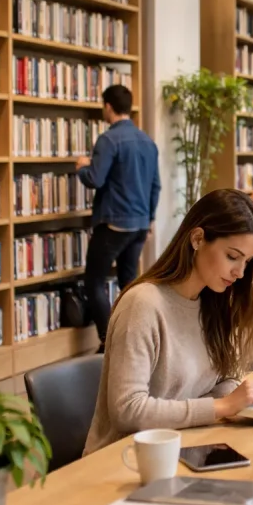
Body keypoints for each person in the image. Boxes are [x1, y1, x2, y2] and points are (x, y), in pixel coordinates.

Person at [84, 189, 253, 454]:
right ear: (198, 239)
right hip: (126, 459)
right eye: (232, 257)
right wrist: (222, 407)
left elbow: (223, 380)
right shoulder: (143, 304)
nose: (240, 272)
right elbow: (127, 410)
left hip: (184, 445)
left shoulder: (213, 301)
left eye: (247, 261)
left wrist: (235, 398)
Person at [77, 84, 160, 354]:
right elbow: (155, 185)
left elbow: (95, 179)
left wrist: (82, 168)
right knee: (129, 284)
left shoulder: (108, 140)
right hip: (139, 224)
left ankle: (108, 340)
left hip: (114, 221)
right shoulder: (148, 141)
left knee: (93, 282)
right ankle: (135, 340)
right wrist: (149, 219)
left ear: (108, 107)